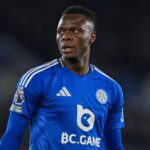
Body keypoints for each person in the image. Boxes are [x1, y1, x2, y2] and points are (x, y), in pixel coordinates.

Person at [0, 5, 125, 150]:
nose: (65, 36)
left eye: (75, 31)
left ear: (92, 36)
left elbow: (115, 145)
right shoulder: (37, 79)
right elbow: (12, 136)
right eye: (60, 31)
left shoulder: (111, 88)